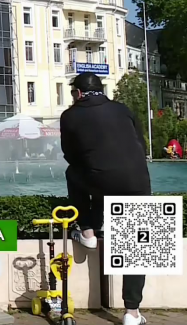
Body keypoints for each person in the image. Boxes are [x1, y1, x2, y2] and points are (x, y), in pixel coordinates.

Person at [60, 72, 151, 325]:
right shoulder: (123, 109)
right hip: (137, 182)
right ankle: (132, 313)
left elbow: (71, 155)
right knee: (136, 247)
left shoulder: (70, 115)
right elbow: (140, 146)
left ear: (78, 93)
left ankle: (88, 231)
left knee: (75, 173)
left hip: (99, 182)